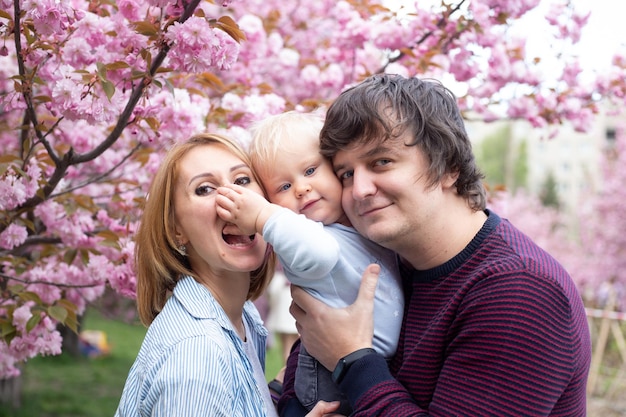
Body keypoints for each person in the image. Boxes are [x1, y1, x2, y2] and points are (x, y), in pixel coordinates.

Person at [282, 74, 592, 416]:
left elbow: (339, 352)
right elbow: (306, 369)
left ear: (449, 166)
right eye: (346, 174)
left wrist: (353, 360)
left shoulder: (518, 291)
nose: (360, 190)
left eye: (381, 162)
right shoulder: (385, 263)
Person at [114, 133, 341, 417]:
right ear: (176, 229)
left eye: (243, 180)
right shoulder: (197, 354)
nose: (233, 199)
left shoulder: (241, 316)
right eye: (205, 189)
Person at [215, 111, 403, 415]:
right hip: (328, 382)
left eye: (311, 170)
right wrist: (263, 217)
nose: (301, 188)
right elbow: (321, 253)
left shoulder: (352, 229)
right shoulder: (305, 242)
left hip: (368, 365)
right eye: (284, 187)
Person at [265, 262, 300, 364]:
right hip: (288, 294)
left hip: (283, 294)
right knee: (291, 343)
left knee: (287, 344)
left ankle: (288, 372)